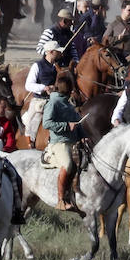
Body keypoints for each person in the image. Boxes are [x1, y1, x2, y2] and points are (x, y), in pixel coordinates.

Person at [43, 76, 86, 215]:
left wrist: (83, 135)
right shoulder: (53, 102)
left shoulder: (68, 104)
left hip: (73, 140)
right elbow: (47, 123)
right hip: (59, 142)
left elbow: (77, 122)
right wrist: (66, 125)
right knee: (67, 165)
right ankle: (61, 200)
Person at [22, 42, 63, 139]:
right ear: (51, 52)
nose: (60, 54)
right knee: (32, 124)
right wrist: (43, 87)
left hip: (56, 100)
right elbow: (28, 85)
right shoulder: (37, 66)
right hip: (40, 101)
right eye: (58, 52)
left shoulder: (58, 66)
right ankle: (30, 141)